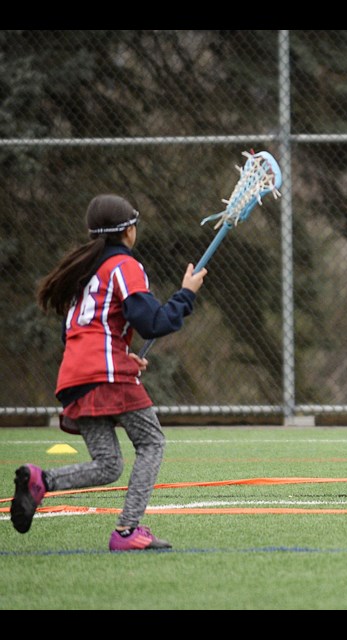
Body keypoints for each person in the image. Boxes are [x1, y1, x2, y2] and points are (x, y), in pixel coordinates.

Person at [11, 194, 208, 550]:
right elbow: (151, 322)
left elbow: (81, 331)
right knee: (151, 442)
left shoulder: (84, 273)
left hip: (74, 376)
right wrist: (186, 294)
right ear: (129, 231)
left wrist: (122, 354)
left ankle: (40, 480)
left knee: (108, 465)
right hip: (103, 374)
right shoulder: (124, 265)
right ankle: (127, 531)